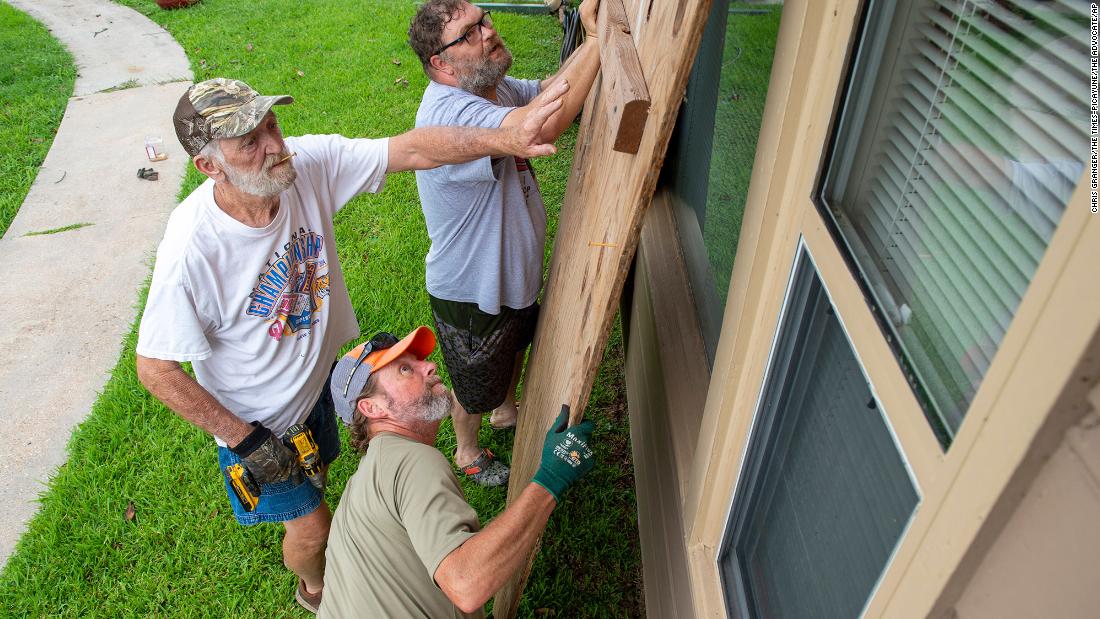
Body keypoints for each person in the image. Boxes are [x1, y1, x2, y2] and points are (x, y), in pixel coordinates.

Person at [134, 76, 568, 613]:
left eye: (271, 124)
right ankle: (315, 589)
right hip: (260, 422)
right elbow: (154, 368)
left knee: (329, 476)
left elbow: (410, 147)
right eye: (250, 141)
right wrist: (246, 441)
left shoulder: (303, 167)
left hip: (316, 388)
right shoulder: (191, 248)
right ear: (209, 166)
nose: (274, 144)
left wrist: (506, 137)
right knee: (314, 527)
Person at [406, 0, 602, 487]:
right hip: (472, 290)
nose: (489, 32)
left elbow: (547, 94)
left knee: (512, 350)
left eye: (484, 21)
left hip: (508, 278)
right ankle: (468, 449)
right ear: (441, 63)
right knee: (473, 385)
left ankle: (505, 412)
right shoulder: (450, 114)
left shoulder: (489, 88)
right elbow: (541, 122)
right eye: (470, 33)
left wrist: (596, 36)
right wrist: (599, 43)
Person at [318, 327, 596, 618]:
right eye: (404, 369)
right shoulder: (411, 460)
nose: (430, 365)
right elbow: (466, 584)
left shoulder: (358, 489)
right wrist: (552, 476)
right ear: (372, 407)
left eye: (418, 361)